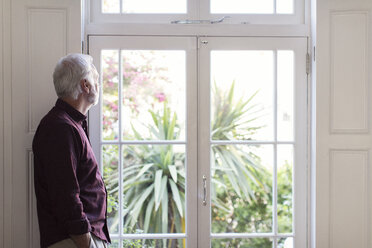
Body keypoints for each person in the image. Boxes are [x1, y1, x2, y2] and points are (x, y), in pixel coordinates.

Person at [32, 54, 111, 248]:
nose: (98, 85)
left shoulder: (69, 125)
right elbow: (65, 195)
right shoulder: (60, 127)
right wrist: (86, 242)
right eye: (96, 80)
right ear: (85, 85)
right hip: (74, 241)